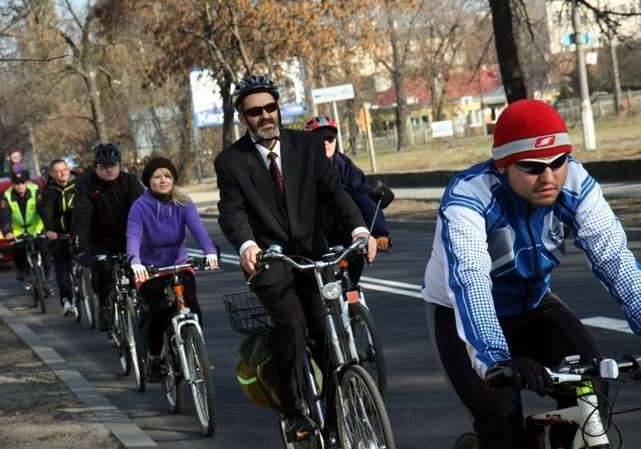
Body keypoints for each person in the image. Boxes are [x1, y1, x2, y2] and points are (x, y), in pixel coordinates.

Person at [421, 99, 641, 449]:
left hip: (533, 304)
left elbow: (614, 258)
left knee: (591, 394)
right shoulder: (468, 197)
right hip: (460, 315)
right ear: (503, 165)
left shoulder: (575, 183)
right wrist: (496, 358)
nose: (549, 177)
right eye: (533, 167)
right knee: (501, 416)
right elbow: (471, 280)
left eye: (558, 162)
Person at [215, 74, 377, 442]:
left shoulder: (306, 146)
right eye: (255, 112)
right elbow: (232, 211)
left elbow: (334, 192)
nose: (265, 116)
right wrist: (247, 245)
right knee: (291, 323)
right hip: (270, 262)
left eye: (270, 107)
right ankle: (291, 410)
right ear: (243, 117)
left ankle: (336, 412)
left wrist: (359, 229)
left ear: (278, 108)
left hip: (313, 256)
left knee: (326, 332)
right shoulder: (232, 161)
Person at [126, 157, 219, 382]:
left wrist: (210, 251)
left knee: (191, 303)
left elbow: (198, 229)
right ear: (148, 181)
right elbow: (134, 235)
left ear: (174, 179)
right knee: (159, 310)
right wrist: (135, 261)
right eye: (157, 176)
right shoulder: (140, 207)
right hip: (149, 269)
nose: (163, 180)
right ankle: (154, 356)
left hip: (180, 265)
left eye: (167, 176)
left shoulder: (184, 203)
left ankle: (198, 350)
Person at [304, 115, 391, 283]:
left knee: (352, 280)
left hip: (348, 236)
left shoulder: (347, 168)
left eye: (330, 139)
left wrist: (380, 232)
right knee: (317, 288)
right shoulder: (300, 171)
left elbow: (364, 198)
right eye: (320, 139)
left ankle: (353, 293)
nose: (326, 143)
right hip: (314, 241)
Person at [72, 143, 144, 331]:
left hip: (128, 238)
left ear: (120, 165)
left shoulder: (129, 182)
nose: (109, 170)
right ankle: (104, 305)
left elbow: (144, 210)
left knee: (140, 273)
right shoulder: (87, 184)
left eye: (113, 165)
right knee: (102, 270)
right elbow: (81, 216)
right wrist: (81, 247)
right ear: (96, 167)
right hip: (99, 239)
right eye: (104, 166)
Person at [39, 159, 78, 317]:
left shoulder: (79, 185)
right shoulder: (48, 191)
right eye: (58, 171)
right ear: (52, 174)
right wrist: (49, 230)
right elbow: (46, 212)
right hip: (58, 234)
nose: (63, 173)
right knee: (62, 267)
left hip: (78, 231)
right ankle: (67, 301)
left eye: (65, 169)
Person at [0, 170, 51, 291]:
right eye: (16, 183)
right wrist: (7, 231)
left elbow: (43, 210)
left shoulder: (36, 191)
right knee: (18, 251)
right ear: (12, 184)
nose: (20, 186)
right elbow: (4, 215)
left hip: (36, 228)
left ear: (27, 182)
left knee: (45, 250)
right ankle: (24, 272)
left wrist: (48, 227)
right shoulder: (6, 196)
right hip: (18, 231)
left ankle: (47, 279)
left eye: (22, 182)